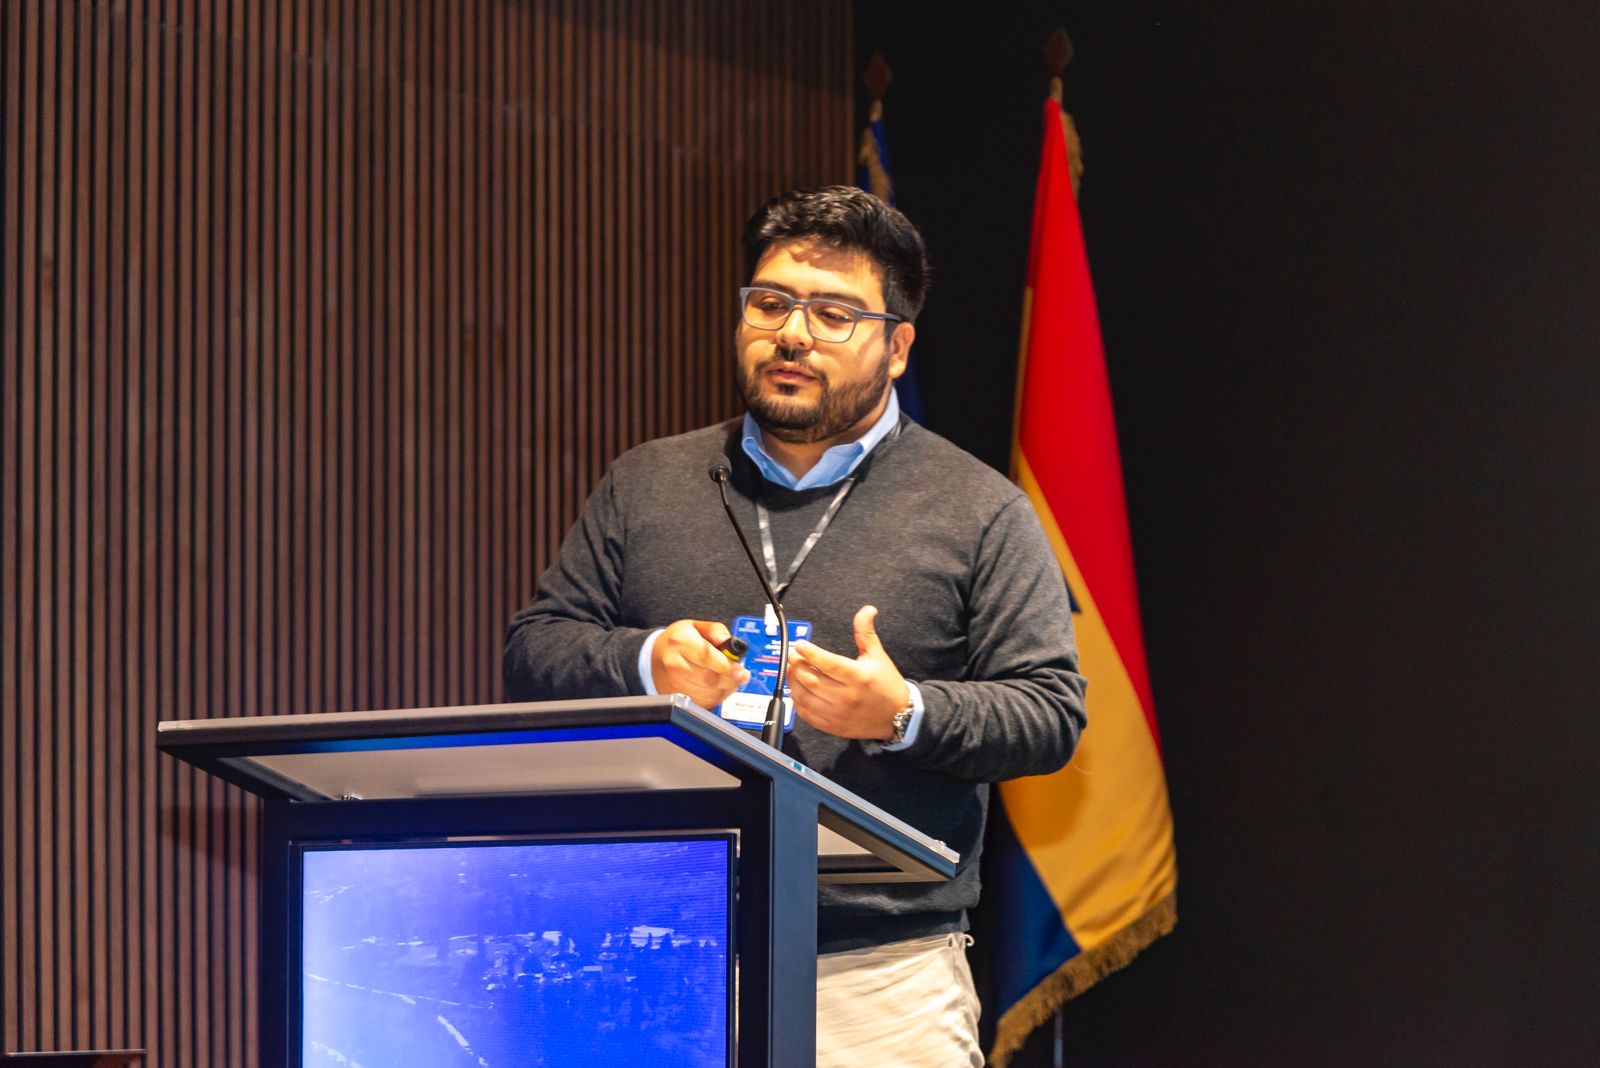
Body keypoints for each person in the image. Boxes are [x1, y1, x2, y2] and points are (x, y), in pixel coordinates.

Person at [504, 185, 1086, 1065]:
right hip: (650, 958)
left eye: (833, 314)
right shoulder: (648, 483)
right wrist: (648, 662)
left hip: (878, 979)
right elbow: (535, 649)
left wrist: (904, 714)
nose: (792, 334)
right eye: (770, 303)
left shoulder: (981, 510)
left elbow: (1048, 711)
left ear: (898, 347)